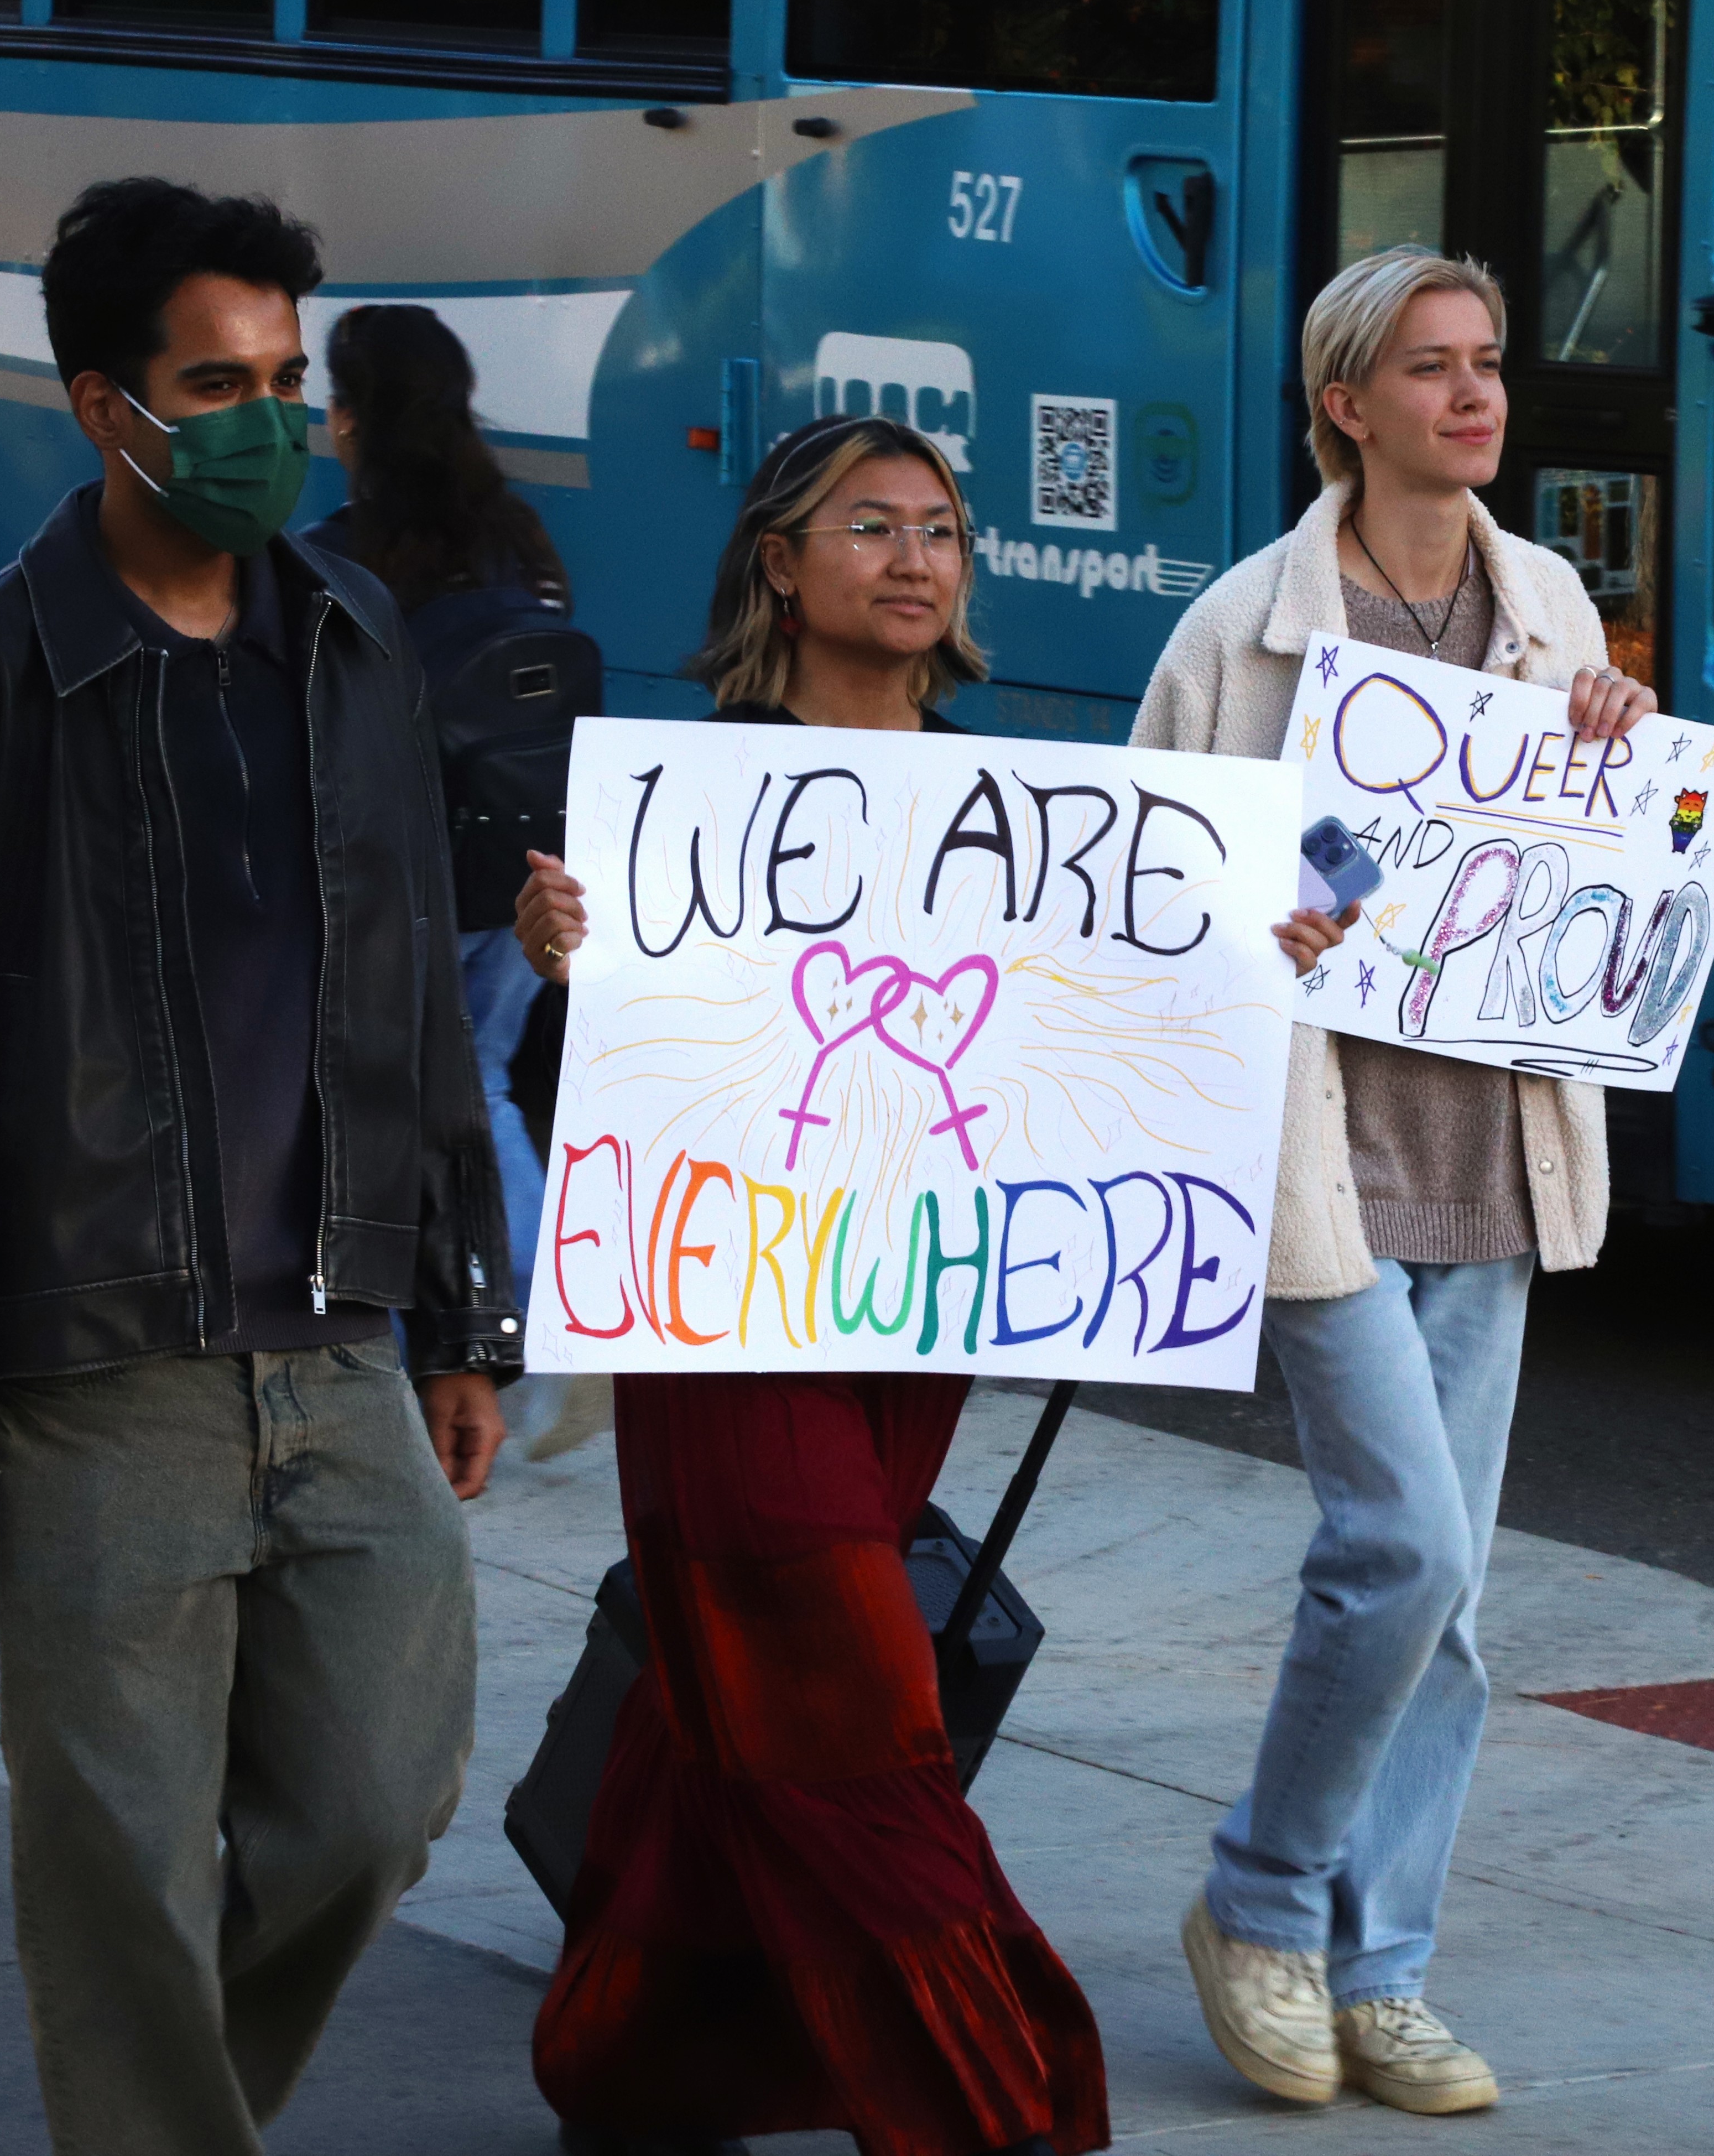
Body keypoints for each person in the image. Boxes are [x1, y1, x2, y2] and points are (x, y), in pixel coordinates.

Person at [0, 177, 520, 2156]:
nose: (267, 426)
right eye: (217, 387)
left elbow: (411, 995)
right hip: (99, 1365)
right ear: (99, 406)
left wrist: (463, 1303)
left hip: (340, 1340)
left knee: (378, 1803)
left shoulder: (355, 636)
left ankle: (160, 2108)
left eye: (289, 383)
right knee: (118, 1857)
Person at [510, 414, 1108, 2156]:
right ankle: (1005, 2102)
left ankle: (636, 2062)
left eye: (941, 531)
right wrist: (567, 973)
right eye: (871, 527)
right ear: (780, 563)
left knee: (749, 1683)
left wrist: (1244, 961)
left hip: (912, 1318)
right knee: (847, 1702)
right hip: (723, 1312)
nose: (916, 560)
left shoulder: (1016, 813)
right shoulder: (687, 805)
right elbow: (579, 1100)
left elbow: (1090, 1051)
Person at [1128, 247, 1655, 2115]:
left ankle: (1385, 1975)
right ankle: (1261, 1903)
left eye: (1488, 361)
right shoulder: (1240, 632)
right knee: (1404, 1552)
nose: (1476, 394)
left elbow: (1600, 867)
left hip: (1492, 1155)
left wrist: (1619, 743)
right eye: (1431, 368)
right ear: (1345, 405)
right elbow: (1145, 899)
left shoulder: (1552, 604)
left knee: (1453, 1602)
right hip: (1320, 1162)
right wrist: (1250, 922)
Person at [304, 301, 609, 1460]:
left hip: (409, 873)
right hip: (529, 870)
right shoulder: (521, 540)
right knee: (483, 1086)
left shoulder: (338, 554)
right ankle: (551, 1314)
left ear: (347, 417)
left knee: (395, 1102)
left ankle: (490, 1330)